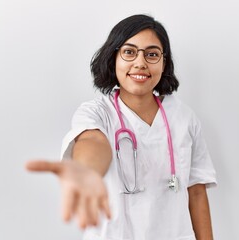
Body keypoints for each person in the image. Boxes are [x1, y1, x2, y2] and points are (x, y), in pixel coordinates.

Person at [26, 14, 217, 240]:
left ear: (164, 63)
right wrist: (87, 171)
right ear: (113, 57)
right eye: (129, 52)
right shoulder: (96, 113)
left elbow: (196, 192)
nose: (140, 62)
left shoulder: (184, 117)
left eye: (152, 54)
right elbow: (93, 142)